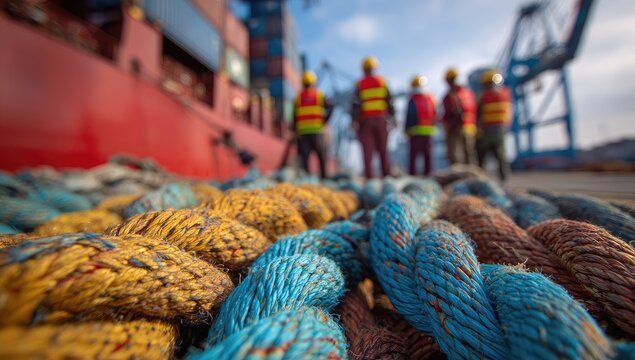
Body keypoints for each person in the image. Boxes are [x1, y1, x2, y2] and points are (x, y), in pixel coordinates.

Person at [351, 56, 395, 178]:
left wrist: (354, 120)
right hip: (380, 120)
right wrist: (393, 117)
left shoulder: (359, 84)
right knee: (383, 150)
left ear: (363, 69)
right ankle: (387, 175)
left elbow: (355, 104)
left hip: (366, 122)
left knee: (367, 151)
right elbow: (390, 101)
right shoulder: (382, 82)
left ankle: (369, 176)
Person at [293, 70, 333, 179]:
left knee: (305, 157)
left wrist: (294, 130)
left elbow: (294, 116)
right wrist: (325, 120)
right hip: (317, 131)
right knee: (321, 156)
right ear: (313, 82)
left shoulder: (298, 97)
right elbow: (331, 106)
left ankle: (306, 179)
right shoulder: (319, 95)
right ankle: (324, 178)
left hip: (303, 132)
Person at [476, 69, 513, 181]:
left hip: (486, 131)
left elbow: (477, 114)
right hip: (501, 130)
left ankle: (480, 178)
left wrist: (478, 129)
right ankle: (504, 177)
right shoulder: (505, 94)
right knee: (500, 154)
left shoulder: (483, 96)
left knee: (481, 155)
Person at [441, 67, 478, 165]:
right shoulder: (468, 93)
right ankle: (465, 175)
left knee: (462, 153)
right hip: (462, 127)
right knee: (463, 154)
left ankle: (464, 175)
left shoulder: (454, 95)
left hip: (461, 127)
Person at [404, 75, 436, 176]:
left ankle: (412, 174)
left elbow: (410, 115)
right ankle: (428, 174)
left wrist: (406, 129)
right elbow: (434, 114)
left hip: (415, 132)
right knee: (427, 155)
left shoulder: (413, 99)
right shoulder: (431, 98)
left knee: (413, 155)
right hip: (428, 131)